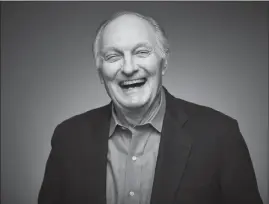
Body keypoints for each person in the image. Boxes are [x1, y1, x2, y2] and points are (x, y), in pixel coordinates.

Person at [38, 11, 263, 204]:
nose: (128, 68)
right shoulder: (68, 138)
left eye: (141, 52)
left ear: (163, 62)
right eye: (113, 56)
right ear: (100, 72)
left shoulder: (220, 134)